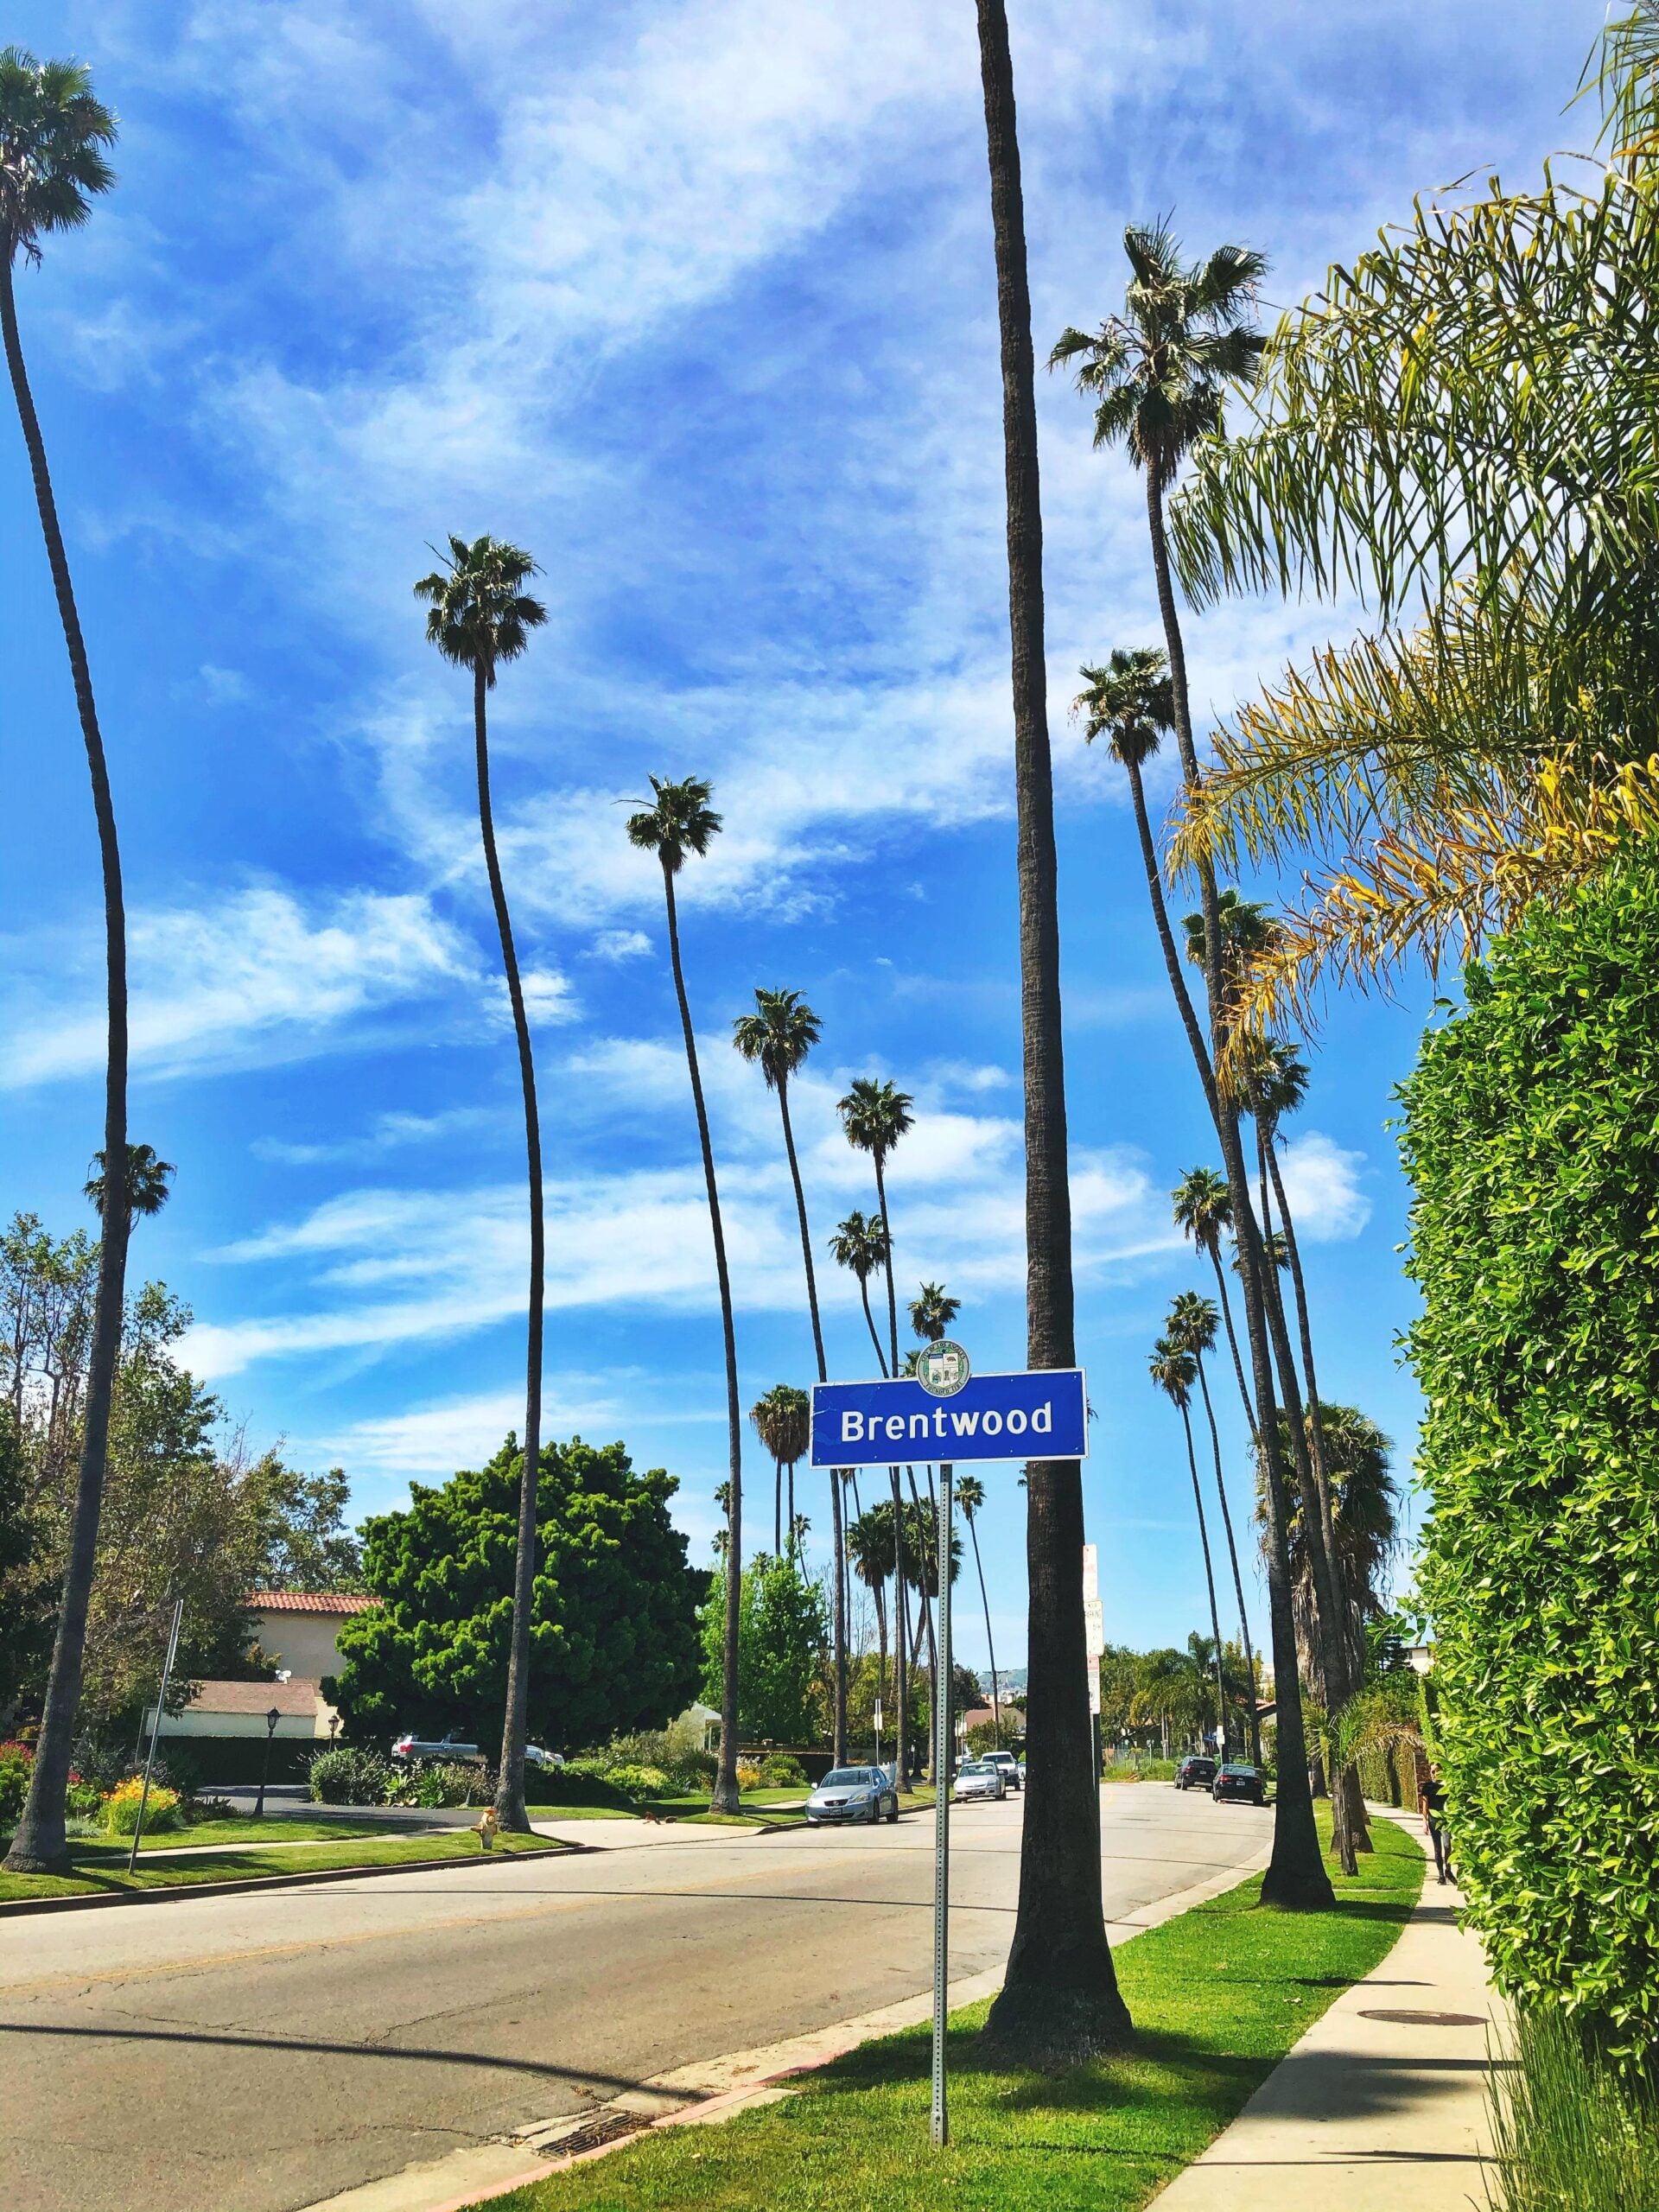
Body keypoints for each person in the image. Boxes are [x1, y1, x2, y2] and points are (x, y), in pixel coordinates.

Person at [1420, 1759, 1451, 1885]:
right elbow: (1425, 1805)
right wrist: (1424, 1822)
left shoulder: (1447, 1786)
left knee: (1447, 1846)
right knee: (1437, 1848)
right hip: (1433, 1819)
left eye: (1437, 1771)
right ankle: (1441, 1876)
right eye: (1433, 1771)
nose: (1435, 1774)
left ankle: (1448, 1869)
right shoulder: (1427, 1787)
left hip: (1445, 1819)